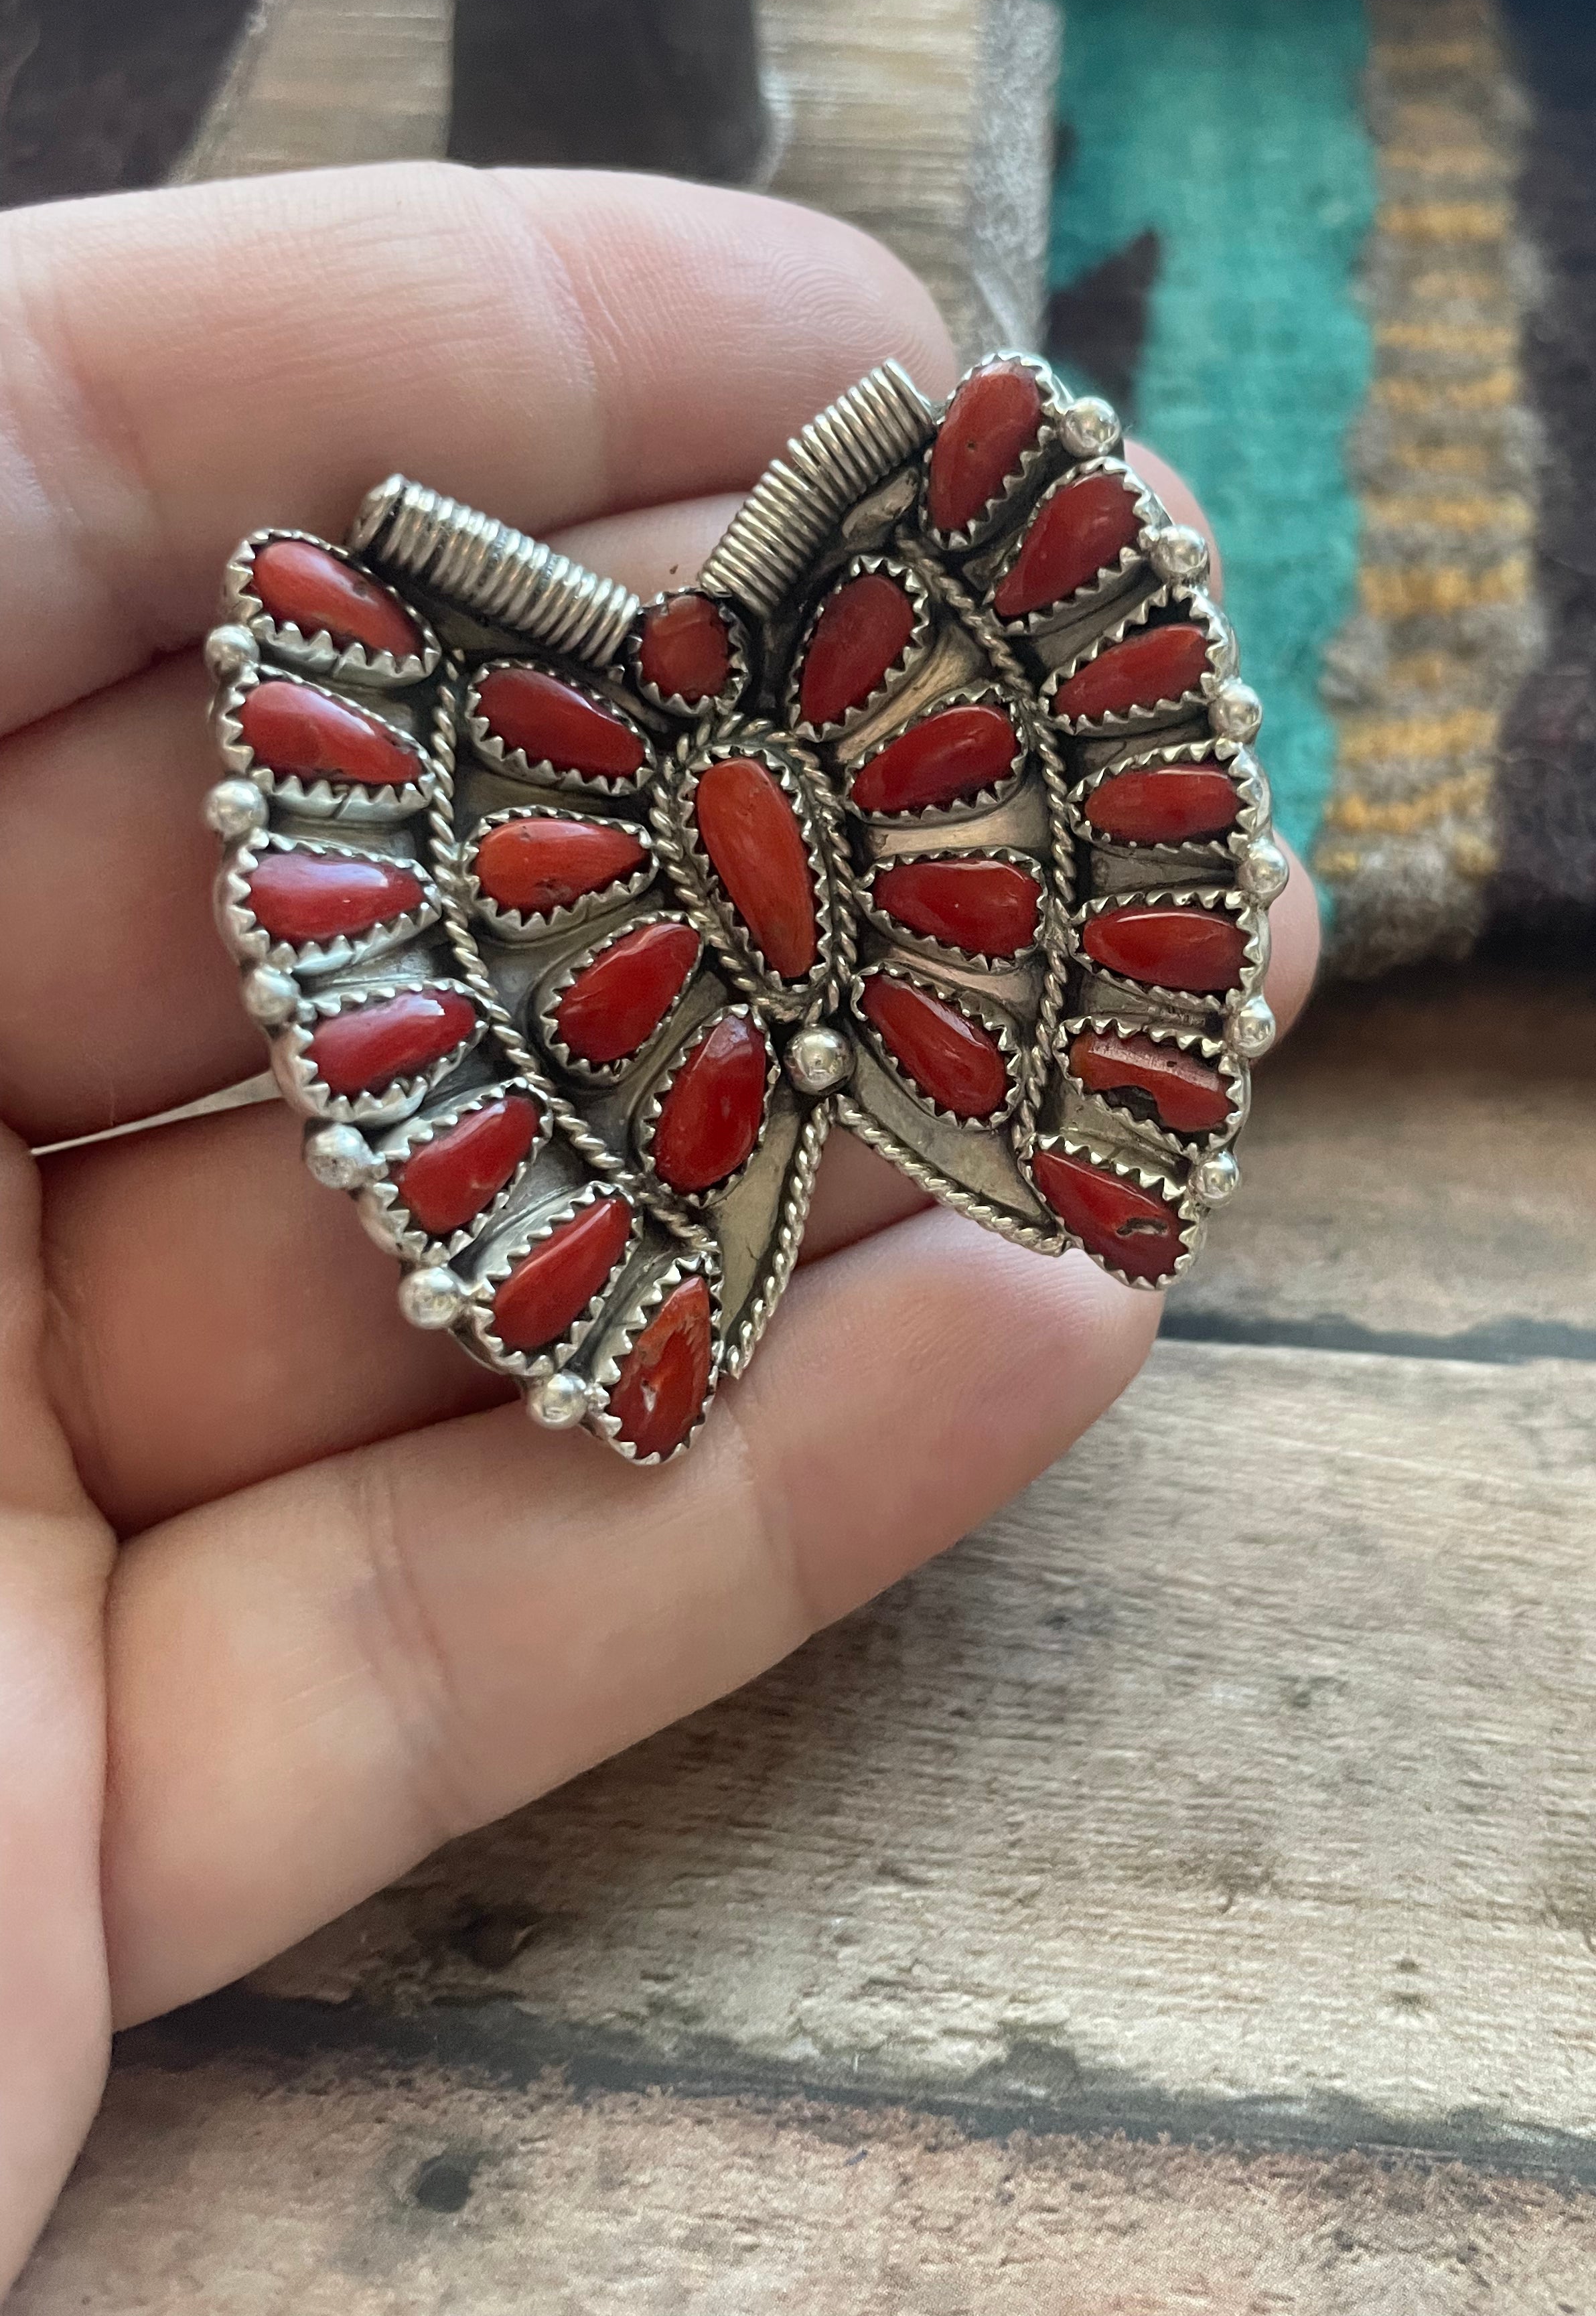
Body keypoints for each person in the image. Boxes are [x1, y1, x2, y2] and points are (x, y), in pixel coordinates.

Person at [0, 160, 1319, 2279]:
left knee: (1031, 1223)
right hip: (658, 905)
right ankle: (938, 1159)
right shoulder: (397, 696)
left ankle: (1027, 1135)